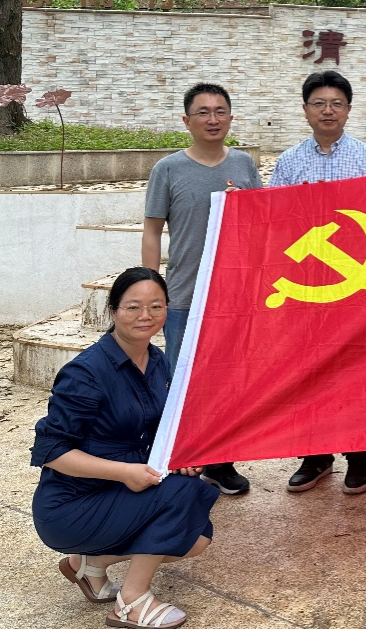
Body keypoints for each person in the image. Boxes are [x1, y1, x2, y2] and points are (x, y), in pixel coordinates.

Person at [32, 267, 218, 628]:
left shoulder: (157, 360)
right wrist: (124, 472)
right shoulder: (86, 372)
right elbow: (51, 450)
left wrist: (182, 457)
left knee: (196, 538)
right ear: (113, 310)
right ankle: (131, 602)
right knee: (183, 493)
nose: (146, 315)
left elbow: (160, 426)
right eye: (133, 307)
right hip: (72, 504)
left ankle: (91, 564)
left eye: (156, 306)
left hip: (118, 492)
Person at [270, 69, 366, 495]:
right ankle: (315, 455)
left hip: (358, 286)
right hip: (308, 288)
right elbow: (274, 222)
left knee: (359, 373)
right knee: (310, 373)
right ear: (305, 110)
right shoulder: (288, 163)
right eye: (319, 103)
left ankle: (360, 458)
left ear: (349, 109)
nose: (328, 111)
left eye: (337, 103)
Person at [143, 83, 263, 497]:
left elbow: (262, 225)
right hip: (184, 296)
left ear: (230, 117)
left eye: (220, 111)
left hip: (234, 298)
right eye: (203, 112)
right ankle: (180, 461)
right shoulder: (168, 169)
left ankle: (219, 462)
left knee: (228, 381)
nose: (213, 120)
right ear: (187, 120)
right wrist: (150, 287)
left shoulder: (244, 165)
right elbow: (152, 230)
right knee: (183, 382)